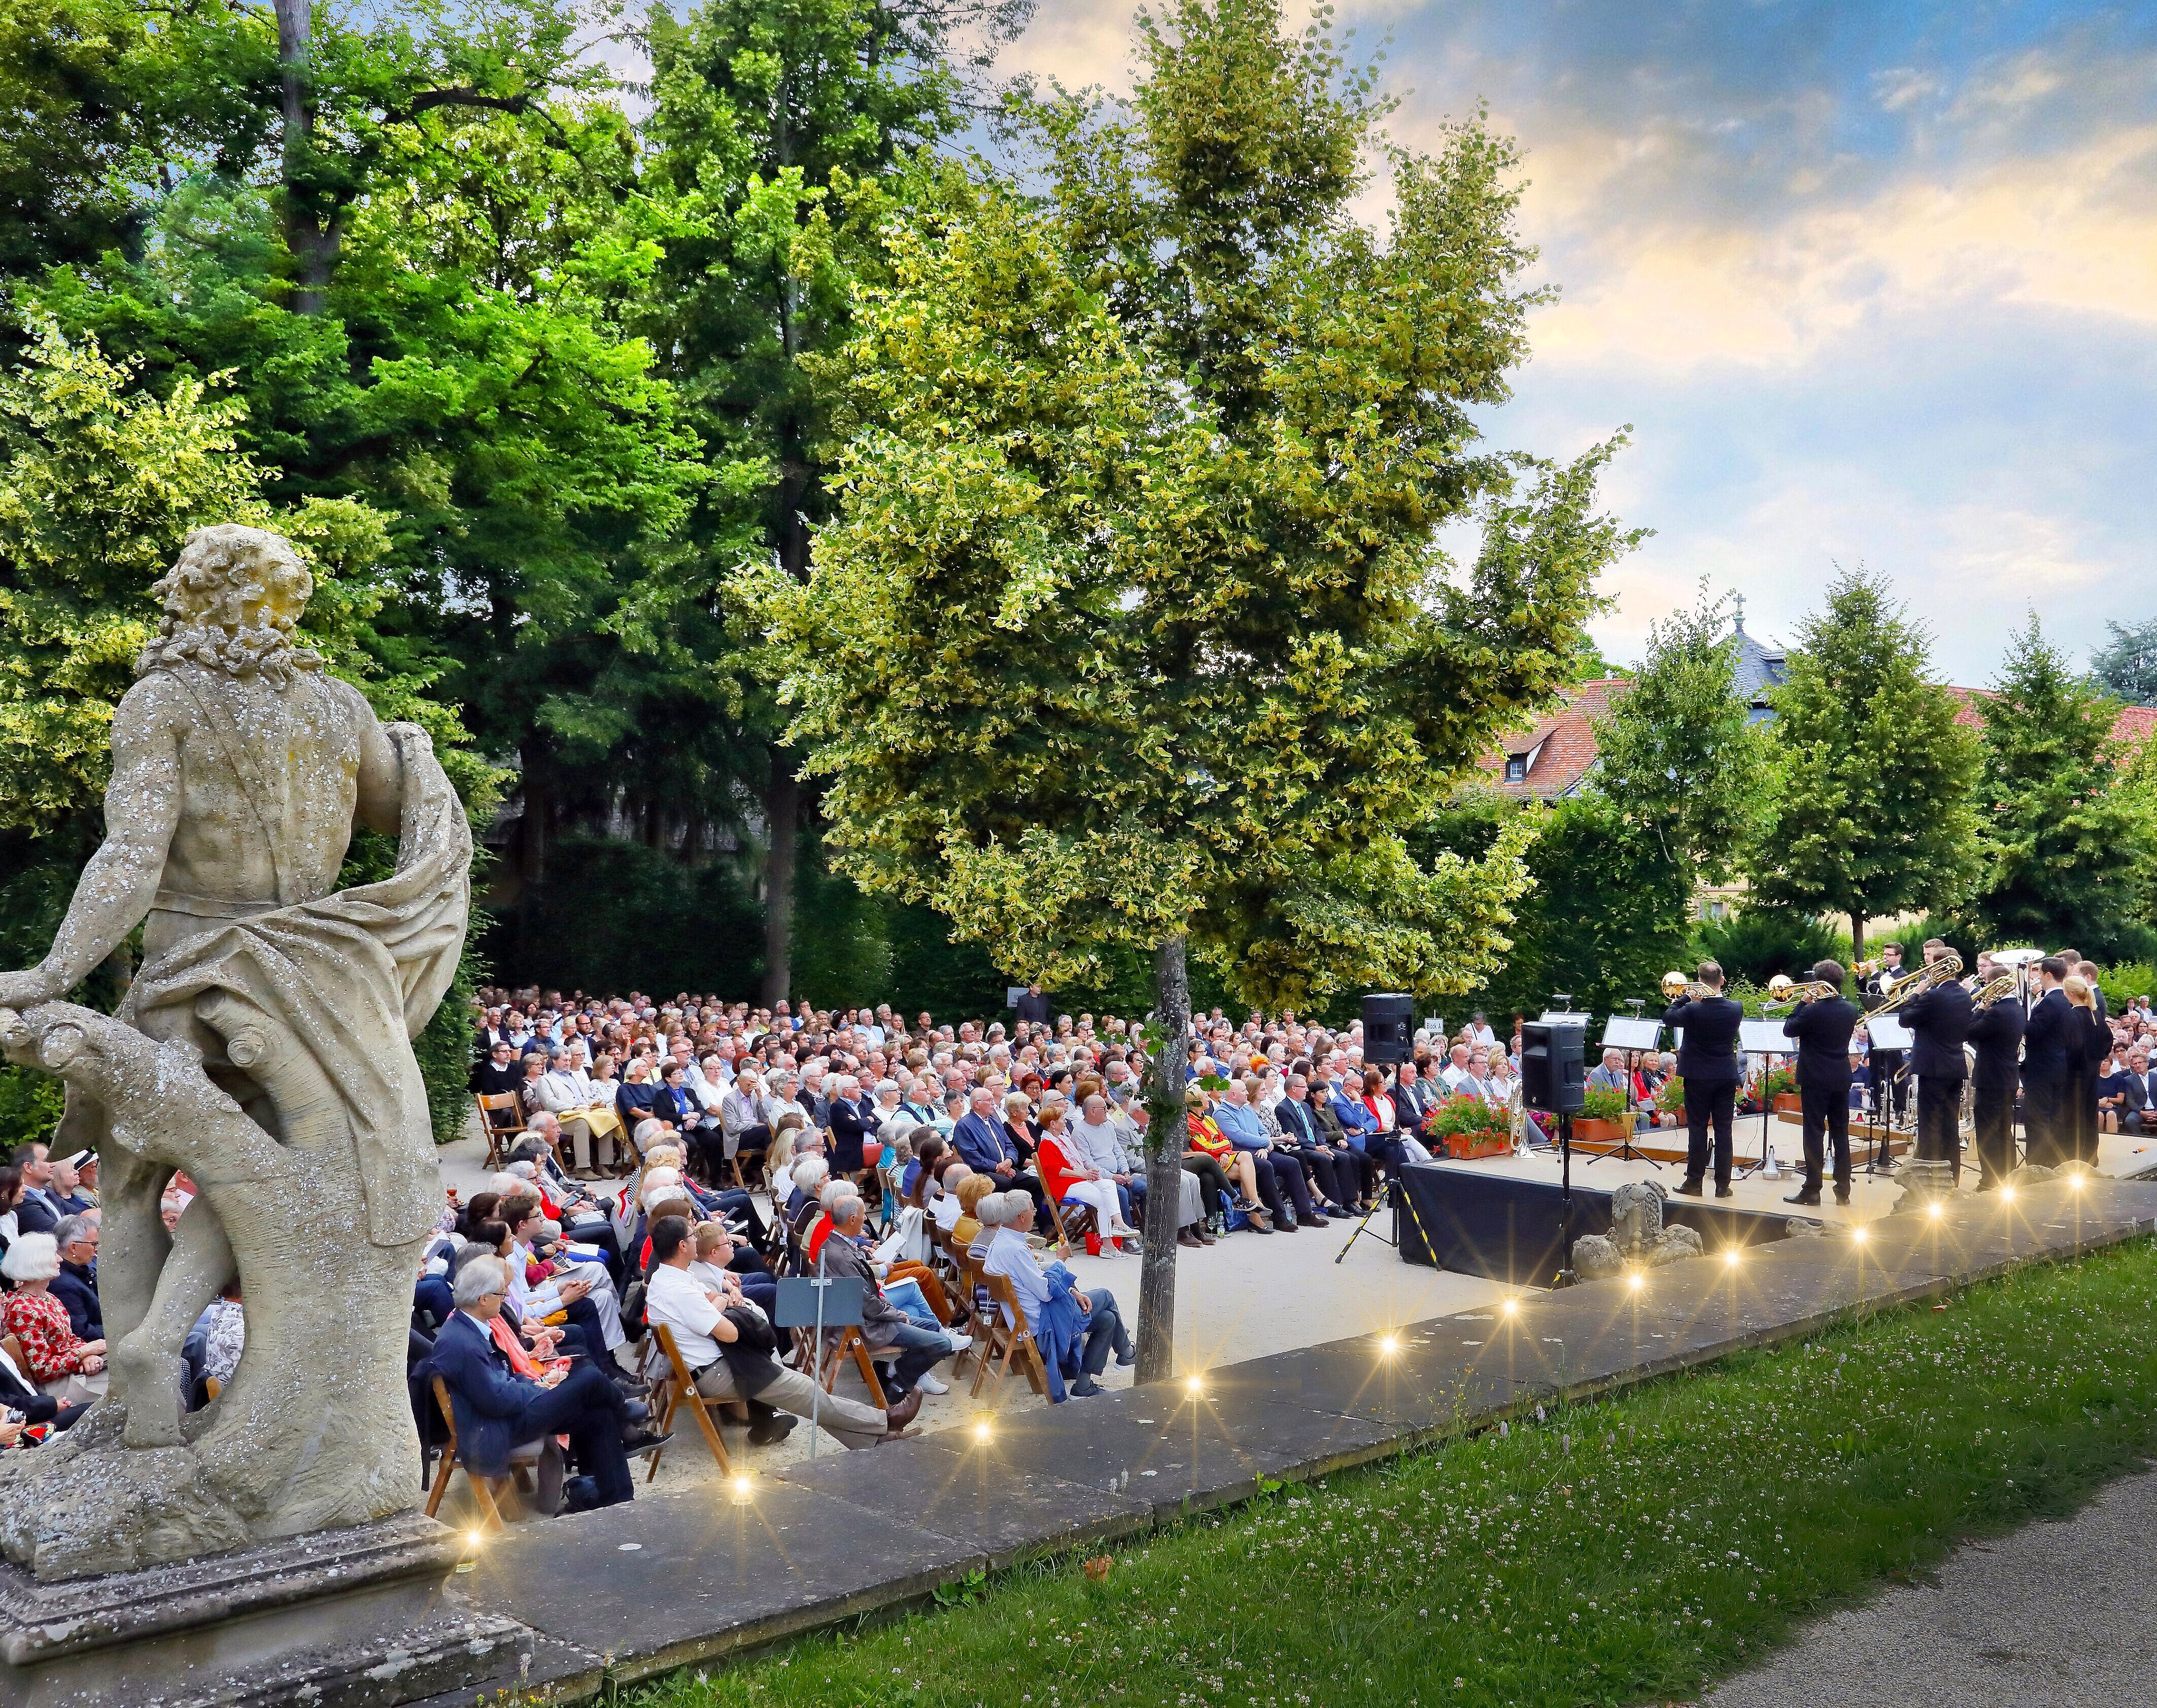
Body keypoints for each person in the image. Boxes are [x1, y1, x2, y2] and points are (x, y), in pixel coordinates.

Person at [644, 1216, 917, 1449]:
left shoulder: (667, 1277)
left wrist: (719, 1301)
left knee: (806, 1392)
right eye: (692, 1236)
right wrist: (723, 1302)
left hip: (719, 1363)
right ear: (682, 1246)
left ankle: (872, 1439)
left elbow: (712, 1297)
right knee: (806, 1391)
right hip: (718, 1371)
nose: (696, 1239)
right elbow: (729, 1333)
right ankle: (885, 1420)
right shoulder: (679, 1290)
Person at [427, 1255, 664, 1514]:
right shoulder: (462, 1342)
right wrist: (535, 1389)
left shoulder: (469, 1327)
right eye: (501, 1294)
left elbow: (503, 1378)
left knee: (598, 1413)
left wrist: (536, 1384)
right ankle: (623, 1413)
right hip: (498, 1426)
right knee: (590, 1380)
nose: (505, 1299)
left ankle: (616, 1497)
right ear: (483, 1299)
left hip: (506, 1413)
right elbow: (496, 1400)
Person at [979, 1192, 1131, 1398]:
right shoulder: (1014, 1249)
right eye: (1032, 1210)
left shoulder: (1000, 1240)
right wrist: (1060, 1260)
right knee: (1106, 1295)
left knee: (1107, 1319)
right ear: (1022, 1217)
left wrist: (1072, 1291)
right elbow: (1045, 1292)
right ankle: (1126, 1352)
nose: (1035, 1214)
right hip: (1042, 1323)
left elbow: (1036, 1280)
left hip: (1029, 1317)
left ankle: (1086, 1384)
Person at [812, 1190, 956, 1403]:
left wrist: (894, 1312)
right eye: (863, 1214)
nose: (865, 1218)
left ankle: (891, 1371)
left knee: (933, 1326)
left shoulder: (836, 1244)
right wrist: (897, 1315)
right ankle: (900, 1384)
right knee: (943, 1344)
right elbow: (867, 1304)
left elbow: (867, 1295)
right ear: (852, 1219)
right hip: (867, 1326)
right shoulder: (840, 1255)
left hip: (866, 1318)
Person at [1897, 941, 1975, 1184]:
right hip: (1954, 1066)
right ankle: (1953, 1179)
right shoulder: (1965, 995)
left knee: (1930, 1125)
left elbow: (1904, 1019)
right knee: (1950, 1126)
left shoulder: (1933, 996)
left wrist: (1917, 992)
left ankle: (1930, 1178)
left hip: (1932, 1067)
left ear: (1938, 968)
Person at [1664, 962, 1742, 1199]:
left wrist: (1686, 996)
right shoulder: (1736, 1008)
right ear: (1723, 981)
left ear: (1699, 981)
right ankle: (1723, 1186)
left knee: (1697, 1128)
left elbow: (1669, 1017)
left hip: (1697, 1075)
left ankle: (1694, 1183)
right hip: (1725, 1075)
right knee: (1724, 1130)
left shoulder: (1692, 1010)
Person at [2, 1233, 107, 1403]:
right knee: (121, 1388)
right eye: (54, 1255)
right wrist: (85, 1352)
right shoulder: (21, 1310)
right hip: (55, 1388)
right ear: (36, 1263)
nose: (60, 1259)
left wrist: (87, 1357)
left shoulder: (48, 1297)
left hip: (71, 1372)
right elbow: (41, 1369)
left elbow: (69, 1339)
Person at [2020, 957, 2072, 1167]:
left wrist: (2020, 1019)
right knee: (2054, 1117)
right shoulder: (2065, 1000)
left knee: (2038, 1119)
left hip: (2042, 1069)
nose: (2038, 978)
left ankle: (2038, 1165)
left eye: (2040, 974)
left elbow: (2034, 1032)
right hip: (2057, 1066)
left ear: (2048, 975)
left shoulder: (2050, 1002)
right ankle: (2052, 1162)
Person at [1863, 944, 1910, 1130]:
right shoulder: (1882, 975)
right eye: (1884, 954)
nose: (1886, 957)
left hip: (1892, 1026)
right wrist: (1862, 978)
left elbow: (1888, 994)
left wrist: (1875, 974)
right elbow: (1869, 994)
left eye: (1889, 955)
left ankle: (1900, 1107)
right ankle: (1877, 1105)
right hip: (1876, 1024)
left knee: (1894, 1067)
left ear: (1899, 957)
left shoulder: (1903, 976)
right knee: (1875, 1067)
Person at [49, 1214, 101, 1342]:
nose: (96, 1250)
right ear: (73, 1247)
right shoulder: (62, 1285)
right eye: (93, 1244)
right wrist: (117, 1330)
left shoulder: (83, 1271)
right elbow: (82, 1332)